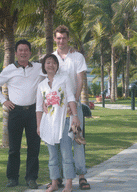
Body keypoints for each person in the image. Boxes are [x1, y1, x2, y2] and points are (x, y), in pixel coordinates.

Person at [0, 39, 44, 189]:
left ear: (30, 52)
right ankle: (12, 178)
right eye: (20, 50)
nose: (23, 53)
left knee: (34, 147)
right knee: (14, 148)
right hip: (15, 112)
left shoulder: (38, 67)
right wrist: (3, 101)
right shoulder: (9, 69)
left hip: (34, 112)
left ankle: (31, 178)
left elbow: (54, 69)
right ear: (15, 53)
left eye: (26, 50)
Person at [50, 25, 91, 190]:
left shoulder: (77, 56)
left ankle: (81, 176)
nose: (61, 41)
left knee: (77, 140)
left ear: (68, 38)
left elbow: (80, 79)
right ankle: (59, 178)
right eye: (58, 38)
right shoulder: (51, 58)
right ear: (55, 39)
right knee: (58, 142)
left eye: (64, 38)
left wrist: (73, 102)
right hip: (57, 109)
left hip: (74, 107)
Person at [36, 54, 80, 192]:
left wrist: (75, 115)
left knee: (66, 153)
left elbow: (71, 97)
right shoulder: (41, 85)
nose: (51, 65)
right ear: (44, 66)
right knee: (52, 156)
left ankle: (68, 184)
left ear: (57, 66)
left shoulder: (64, 79)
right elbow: (38, 107)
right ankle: (54, 183)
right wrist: (38, 125)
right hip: (48, 123)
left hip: (65, 120)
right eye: (48, 63)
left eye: (54, 63)